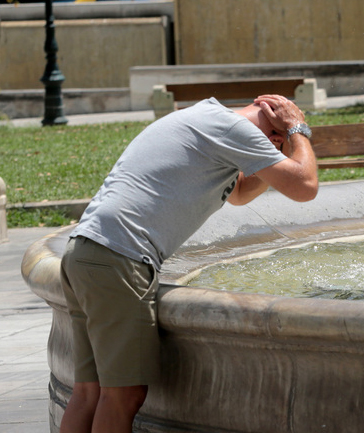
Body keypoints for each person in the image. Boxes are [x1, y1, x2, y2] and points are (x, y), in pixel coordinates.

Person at [58, 94, 318, 433]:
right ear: (274, 122)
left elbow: (238, 192)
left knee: (88, 393)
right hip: (121, 257)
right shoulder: (235, 128)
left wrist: (269, 162)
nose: (278, 145)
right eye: (277, 138)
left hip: (86, 253)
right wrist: (299, 131)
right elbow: (306, 186)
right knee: (124, 395)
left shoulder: (207, 119)